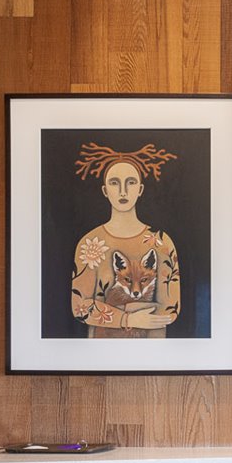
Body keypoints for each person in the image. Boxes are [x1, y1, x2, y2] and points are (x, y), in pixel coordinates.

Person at [69, 142, 182, 338]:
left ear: (140, 189)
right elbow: (80, 307)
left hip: (152, 348)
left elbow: (171, 309)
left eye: (131, 182)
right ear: (105, 190)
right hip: (102, 347)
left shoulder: (161, 242)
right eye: (114, 183)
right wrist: (129, 319)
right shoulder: (90, 243)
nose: (123, 191)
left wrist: (112, 310)